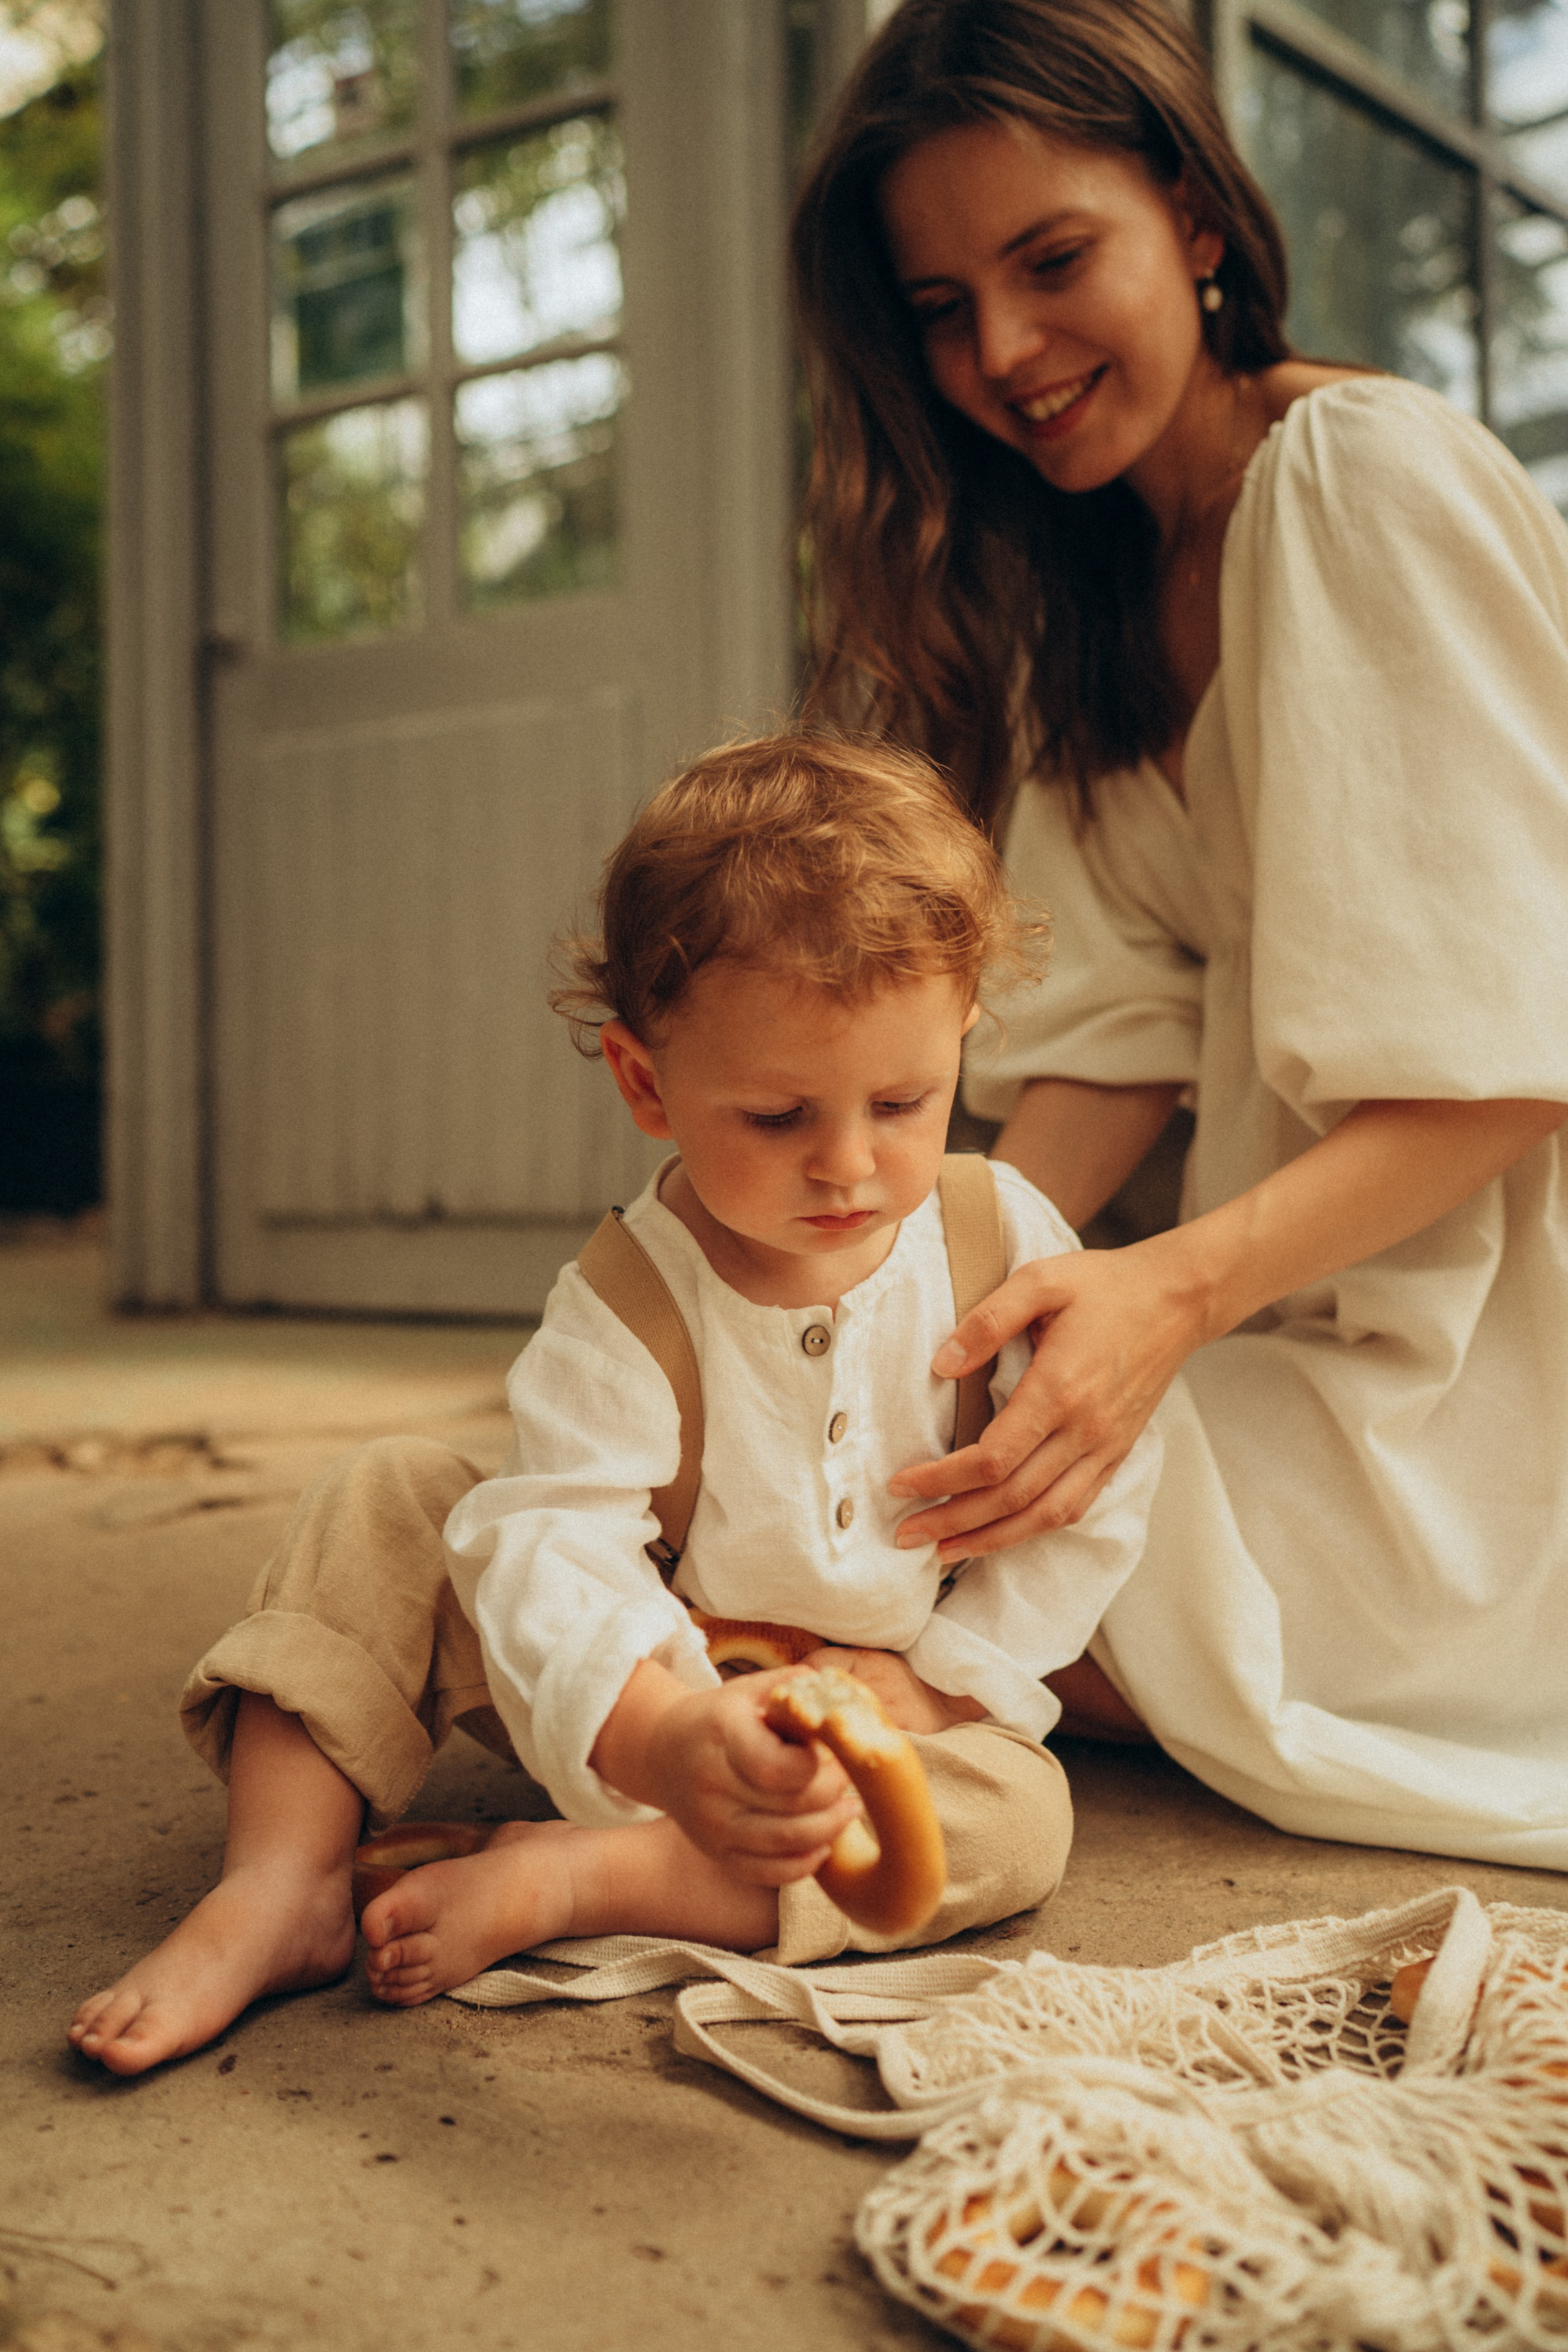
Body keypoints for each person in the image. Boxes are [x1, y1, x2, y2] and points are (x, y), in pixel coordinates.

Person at [68, 736, 1164, 2076]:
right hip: (640, 1681)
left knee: (1014, 1823)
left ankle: (583, 1883)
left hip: (884, 1717)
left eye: (901, 1100)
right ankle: (276, 1882)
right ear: (647, 1085)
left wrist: (946, 1689)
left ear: (961, 1048)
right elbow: (555, 1544)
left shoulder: (999, 1239)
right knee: (391, 1495)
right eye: (775, 1116)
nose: (847, 1165)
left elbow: (1089, 1482)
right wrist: (662, 1730)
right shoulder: (631, 1299)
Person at [790, 0, 1568, 1865]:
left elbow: (1515, 1067)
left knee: (960, 1582)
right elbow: (1106, 1050)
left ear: (1198, 223)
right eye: (941, 308)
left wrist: (1167, 1297)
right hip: (1330, 1320)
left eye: (1055, 263)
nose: (1006, 352)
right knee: (846, 1494)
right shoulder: (1105, 602)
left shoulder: (1356, 483)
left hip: (1514, 1370)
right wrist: (879, 1314)